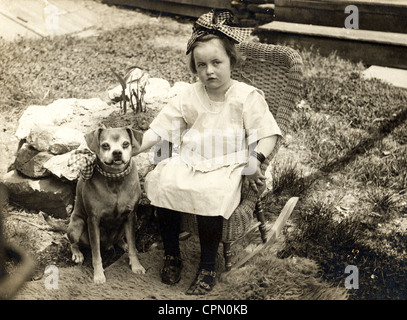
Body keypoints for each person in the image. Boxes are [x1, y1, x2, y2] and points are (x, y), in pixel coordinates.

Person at [137, 9, 282, 295]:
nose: (209, 71)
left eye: (217, 62)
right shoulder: (189, 95)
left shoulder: (245, 96)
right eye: (201, 65)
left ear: (232, 61)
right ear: (194, 68)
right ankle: (171, 253)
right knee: (162, 181)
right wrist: (133, 148)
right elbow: (160, 129)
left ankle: (207, 265)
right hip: (191, 158)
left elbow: (268, 134)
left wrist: (256, 159)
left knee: (210, 194)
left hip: (227, 164)